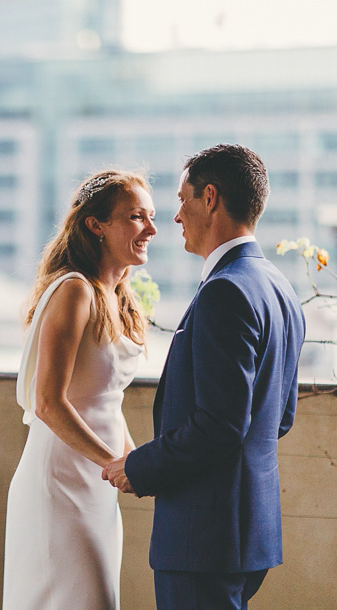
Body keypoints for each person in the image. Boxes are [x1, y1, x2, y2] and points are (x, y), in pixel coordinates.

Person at [103, 144, 306, 610]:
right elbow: (280, 417)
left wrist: (138, 467)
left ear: (209, 198)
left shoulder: (225, 292)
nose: (175, 217)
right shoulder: (278, 286)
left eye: (182, 199)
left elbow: (220, 426)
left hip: (204, 536)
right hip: (246, 536)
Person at [4, 170, 157, 610]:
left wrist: (138, 464)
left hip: (97, 486)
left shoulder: (120, 298)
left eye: (150, 216)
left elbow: (104, 400)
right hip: (59, 485)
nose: (151, 228)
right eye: (135, 217)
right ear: (96, 225)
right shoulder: (74, 291)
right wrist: (113, 462)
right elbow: (49, 403)